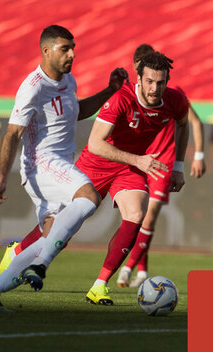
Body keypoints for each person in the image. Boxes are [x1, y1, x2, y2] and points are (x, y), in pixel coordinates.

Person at [0, 25, 128, 312]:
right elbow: (12, 134)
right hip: (42, 163)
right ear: (46, 51)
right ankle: (40, 266)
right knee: (89, 196)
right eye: (65, 48)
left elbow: (77, 112)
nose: (72, 54)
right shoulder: (34, 86)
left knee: (52, 237)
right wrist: (1, 178)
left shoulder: (69, 80)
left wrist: (110, 90)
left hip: (59, 164)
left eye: (73, 47)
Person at [76, 50, 189, 305]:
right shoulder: (120, 99)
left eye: (160, 82)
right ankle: (18, 252)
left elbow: (184, 123)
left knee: (137, 215)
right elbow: (95, 143)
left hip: (129, 166)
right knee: (66, 222)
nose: (155, 88)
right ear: (139, 78)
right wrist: (138, 160)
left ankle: (99, 285)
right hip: (97, 163)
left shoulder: (174, 101)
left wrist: (179, 165)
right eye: (149, 81)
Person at [116, 43, 206, 288]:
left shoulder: (170, 93)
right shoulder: (130, 94)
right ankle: (142, 270)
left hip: (162, 164)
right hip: (137, 162)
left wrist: (196, 155)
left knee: (149, 217)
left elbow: (192, 122)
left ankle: (126, 269)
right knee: (136, 218)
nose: (153, 85)